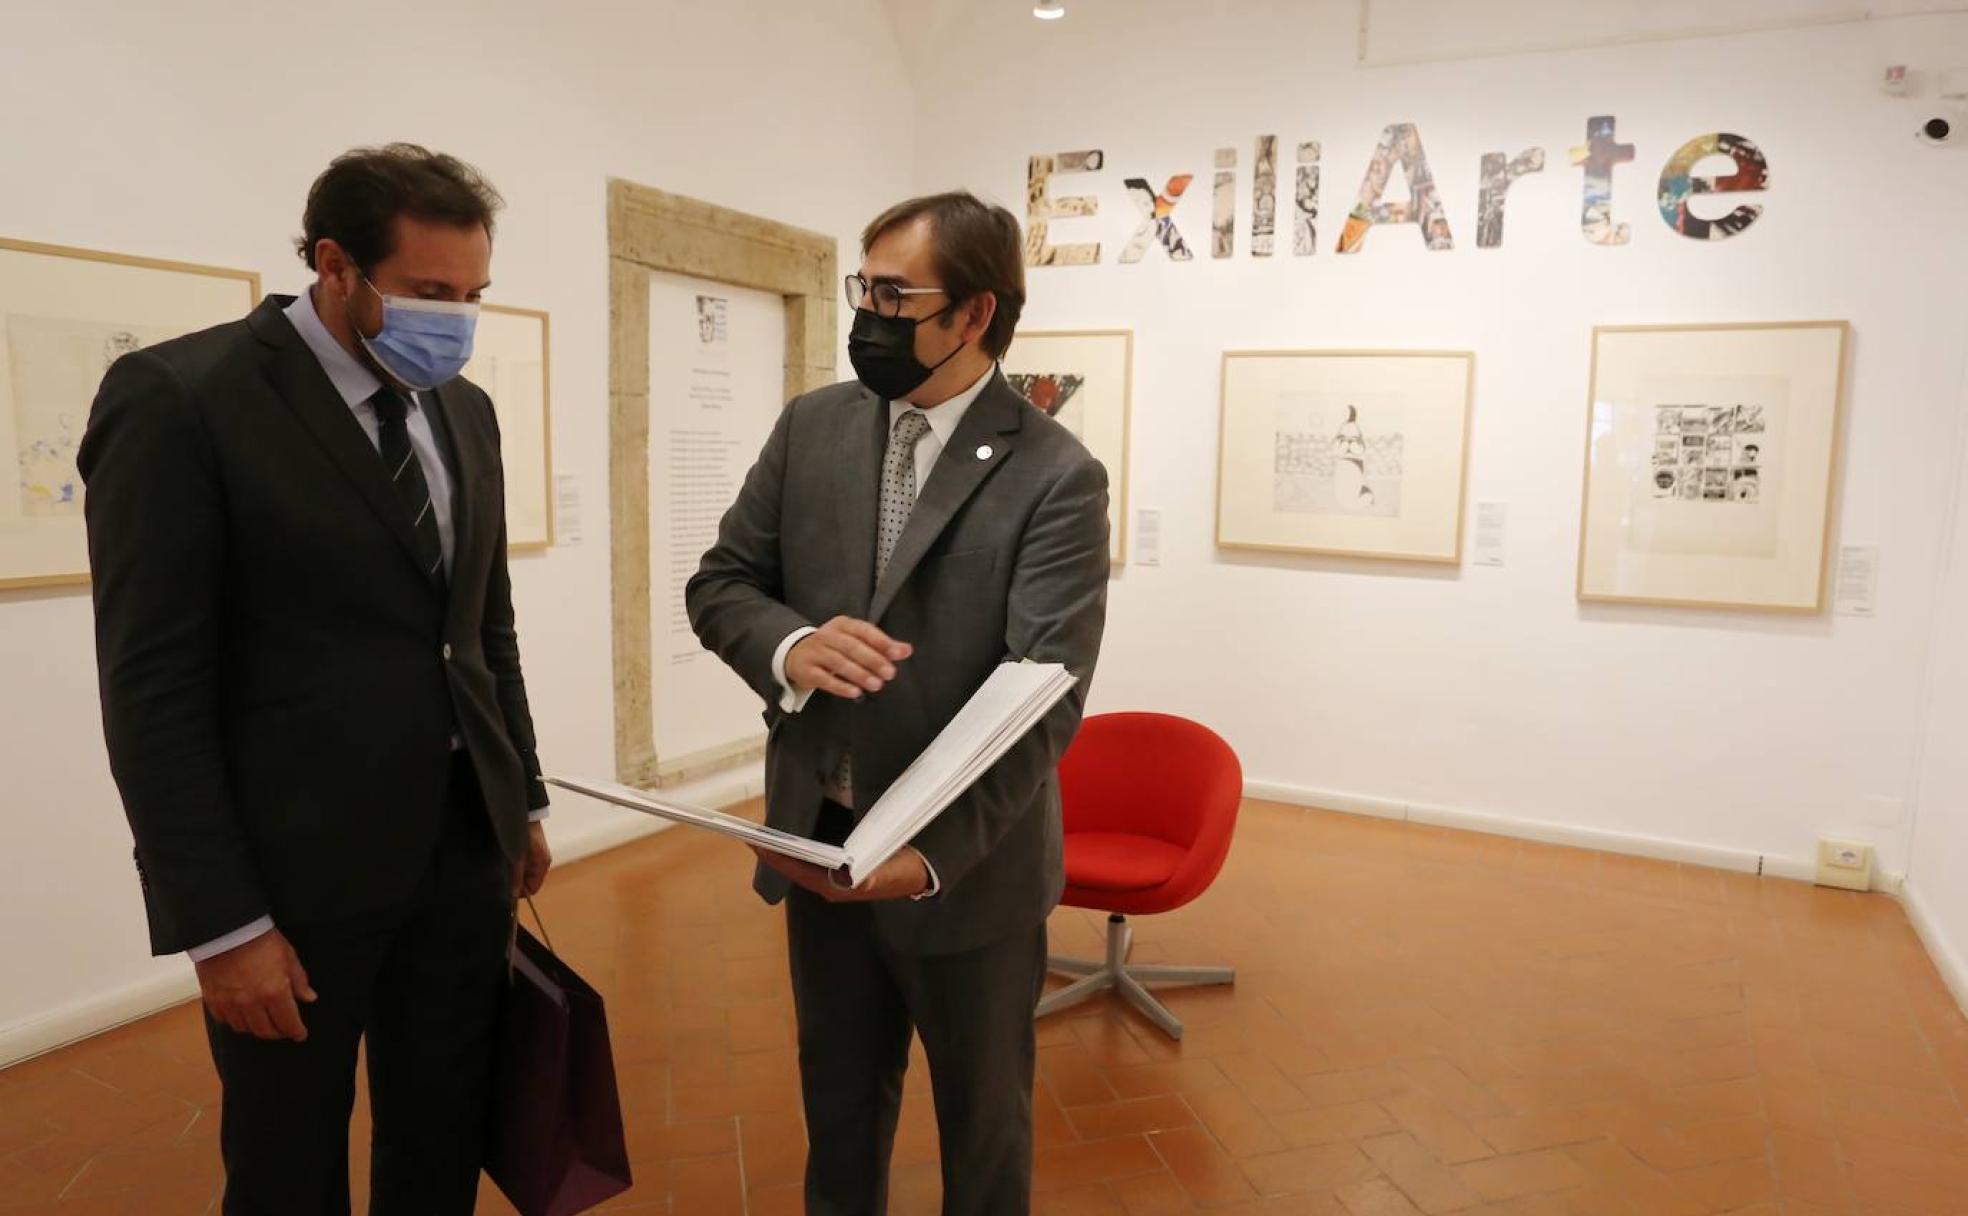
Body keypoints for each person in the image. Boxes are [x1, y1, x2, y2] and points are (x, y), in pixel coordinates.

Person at [79, 143, 552, 1216]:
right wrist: (221, 922)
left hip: (460, 849)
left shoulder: (461, 410)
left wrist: (516, 792)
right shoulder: (182, 398)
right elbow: (151, 686)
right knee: (288, 1162)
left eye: (475, 295)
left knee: (442, 1134)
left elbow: (482, 628)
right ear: (336, 266)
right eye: (432, 294)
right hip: (291, 880)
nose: (458, 320)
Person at [687, 191, 1110, 1215]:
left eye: (891, 293)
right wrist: (791, 643)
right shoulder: (814, 426)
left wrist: (928, 856)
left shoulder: (1057, 474)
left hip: (963, 868)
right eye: (860, 287)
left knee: (982, 1131)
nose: (865, 314)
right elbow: (722, 583)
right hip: (822, 838)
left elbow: (1043, 693)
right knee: (839, 1111)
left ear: (973, 314)